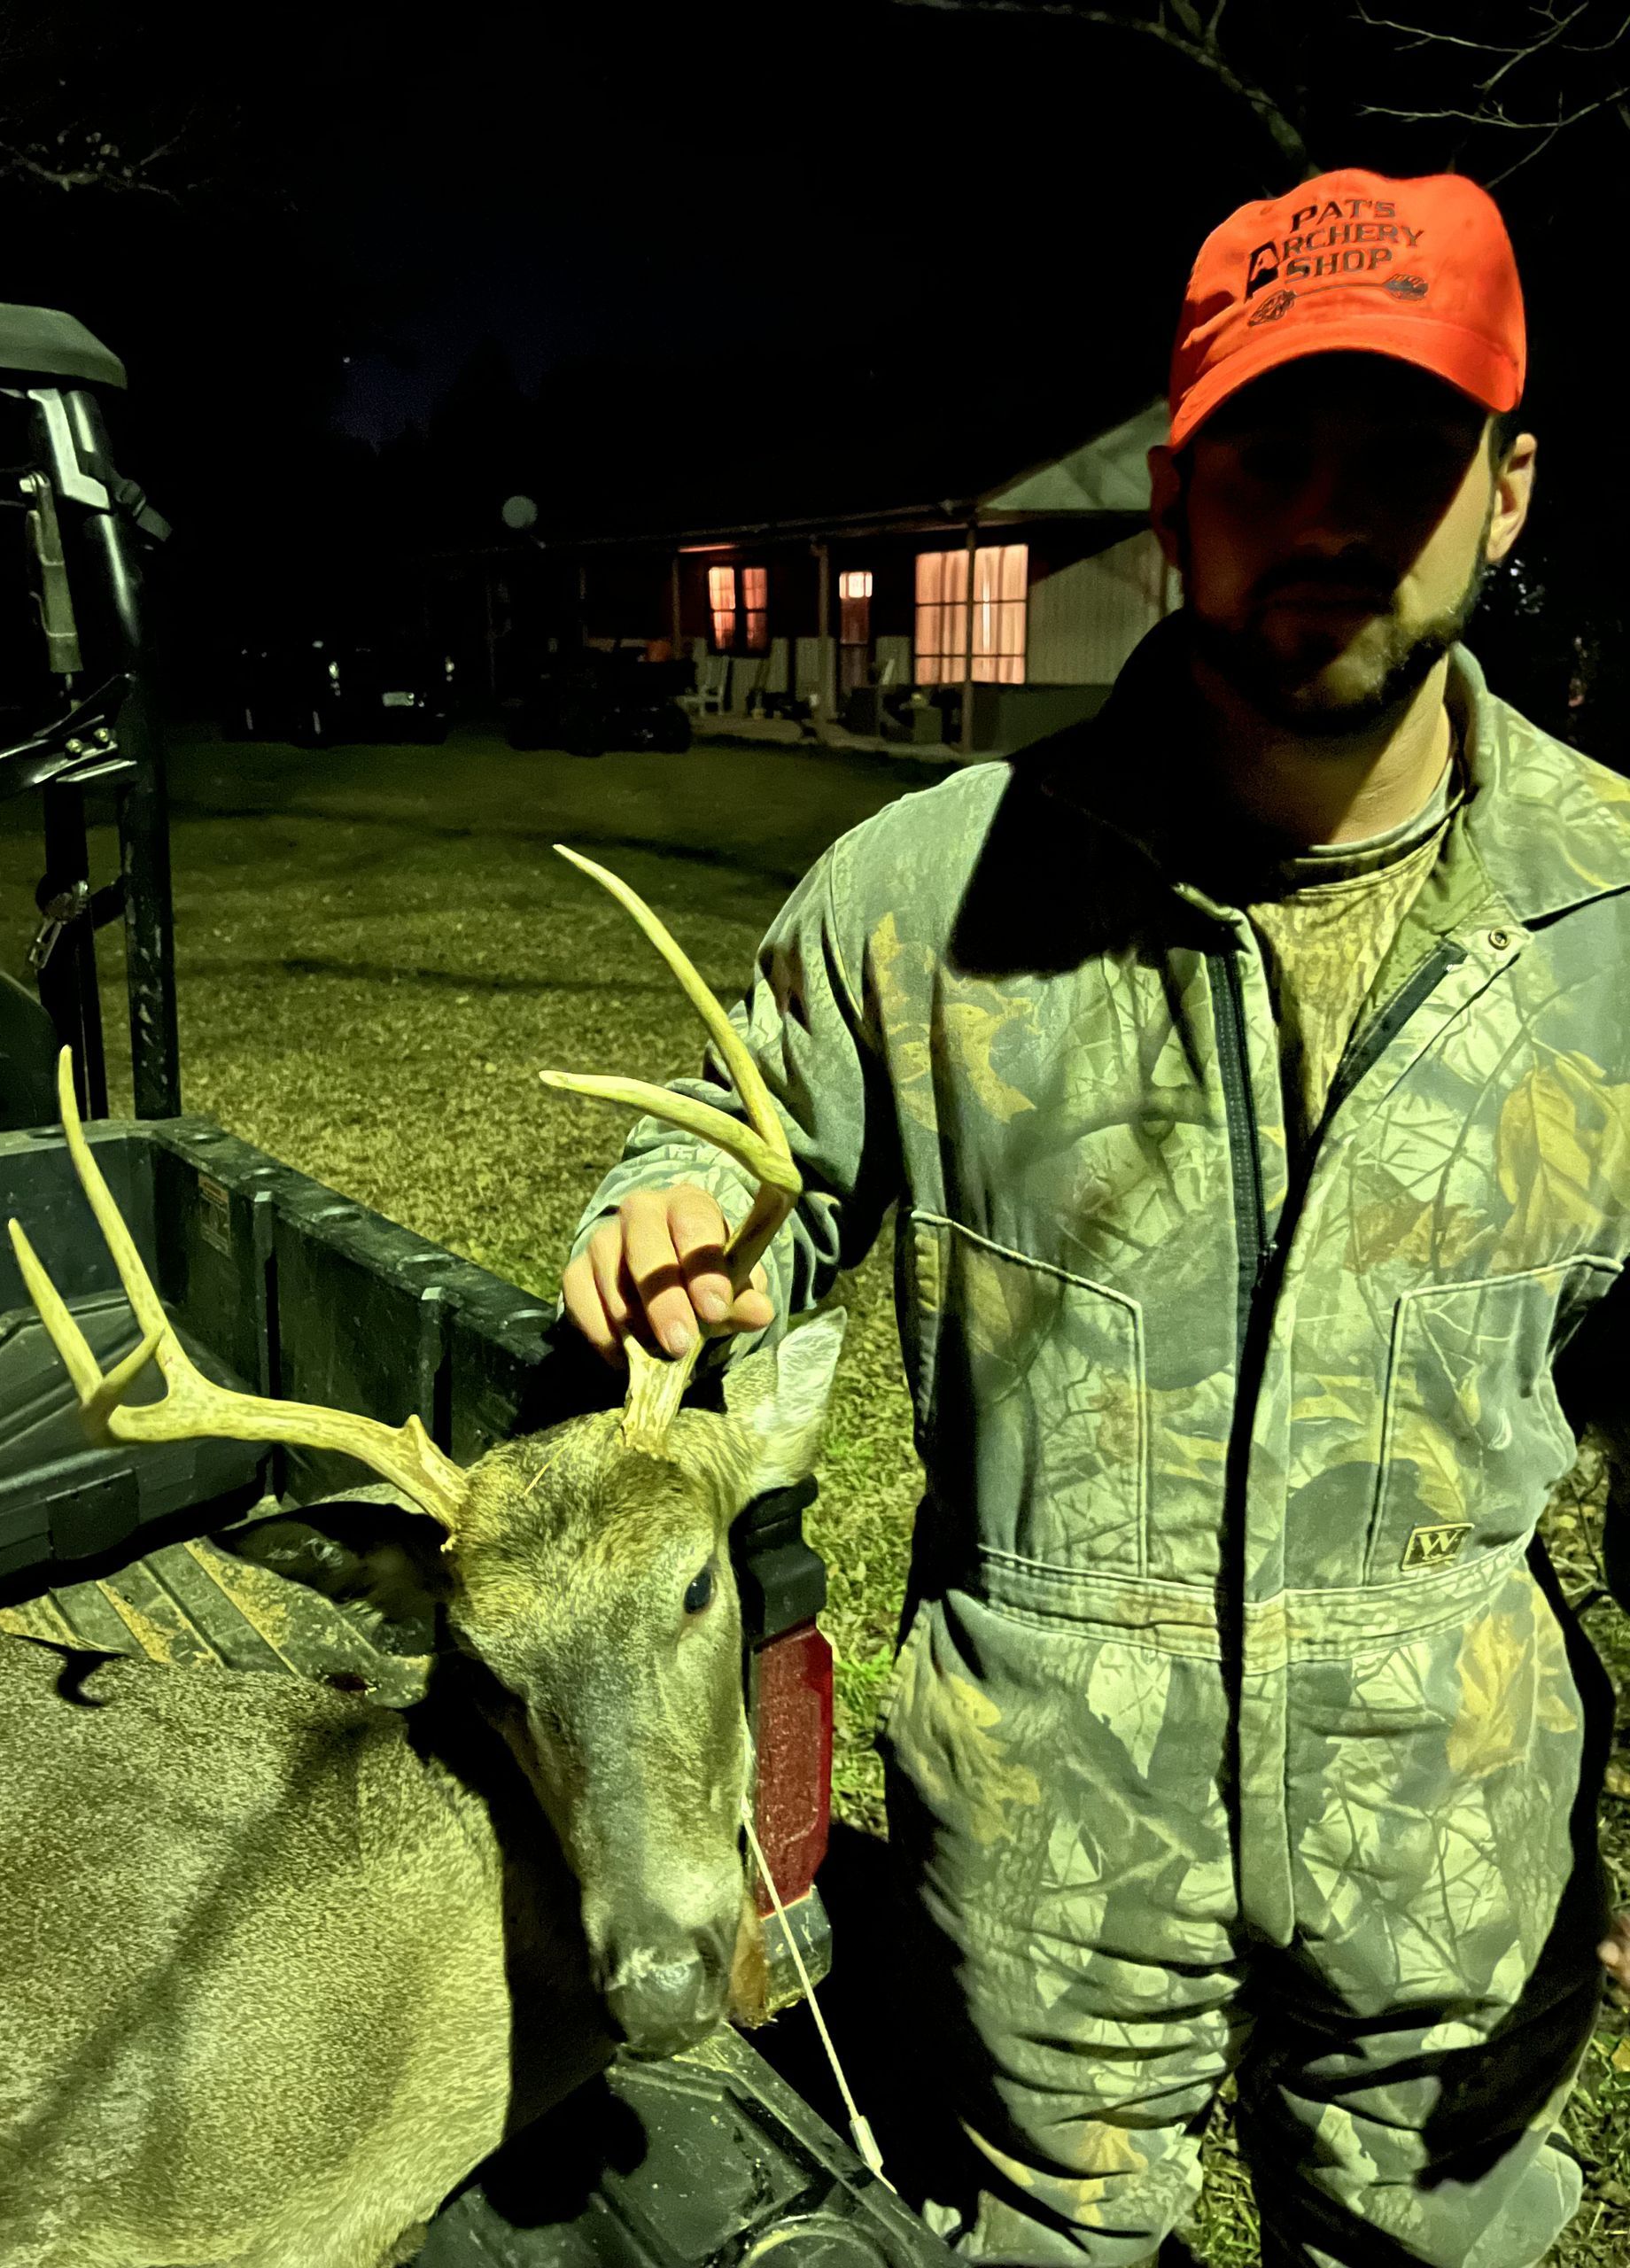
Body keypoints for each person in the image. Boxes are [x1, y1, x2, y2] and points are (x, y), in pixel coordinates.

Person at [559, 167, 1630, 2267]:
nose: (1332, 512)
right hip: (1046, 1863)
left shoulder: (1621, 921)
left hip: (1458, 1861)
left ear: (1511, 490)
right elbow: (744, 1118)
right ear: (1172, 496)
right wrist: (680, 1201)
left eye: (1403, 455)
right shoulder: (937, 891)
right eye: (1268, 453)